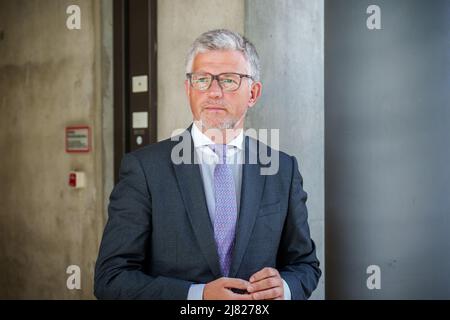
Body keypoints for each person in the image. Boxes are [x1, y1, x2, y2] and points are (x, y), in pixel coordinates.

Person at [94, 29, 321, 300]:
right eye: (202, 80)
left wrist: (283, 287)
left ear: (253, 93)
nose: (213, 92)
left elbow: (305, 266)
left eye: (228, 80)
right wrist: (196, 295)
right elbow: (111, 278)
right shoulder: (144, 170)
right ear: (188, 89)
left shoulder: (283, 170)